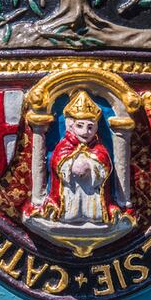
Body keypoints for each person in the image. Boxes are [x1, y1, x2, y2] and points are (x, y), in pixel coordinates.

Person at [43, 90, 114, 224]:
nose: (85, 132)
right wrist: (69, 166)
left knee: (92, 210)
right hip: (71, 190)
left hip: (91, 192)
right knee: (71, 209)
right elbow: (56, 165)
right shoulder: (64, 146)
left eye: (90, 127)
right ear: (71, 125)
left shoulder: (98, 148)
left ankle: (94, 216)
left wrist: (92, 167)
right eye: (80, 126)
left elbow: (105, 166)